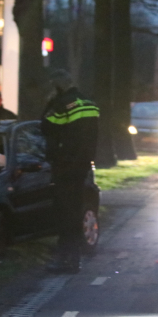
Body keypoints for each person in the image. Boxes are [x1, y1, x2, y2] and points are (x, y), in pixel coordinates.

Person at [41, 69, 100, 274]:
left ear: (58, 86)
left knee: (64, 211)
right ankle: (73, 258)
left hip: (65, 164)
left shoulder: (61, 104)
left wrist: (51, 102)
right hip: (83, 165)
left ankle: (66, 258)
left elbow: (46, 127)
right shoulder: (89, 102)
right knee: (75, 208)